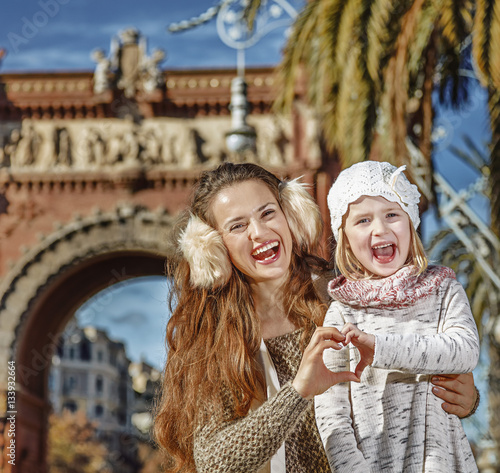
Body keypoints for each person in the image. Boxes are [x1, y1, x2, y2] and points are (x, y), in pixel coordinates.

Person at [154, 162, 479, 473]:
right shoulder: (214, 338)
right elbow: (214, 462)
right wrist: (298, 392)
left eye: (268, 213)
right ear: (211, 247)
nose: (259, 231)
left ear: (290, 215)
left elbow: (414, 368)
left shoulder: (350, 295)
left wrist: (465, 398)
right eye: (237, 226)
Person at [315, 161, 480, 472]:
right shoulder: (341, 310)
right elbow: (331, 410)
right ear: (345, 238)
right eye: (362, 220)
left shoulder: (443, 290)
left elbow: (465, 350)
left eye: (392, 214)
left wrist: (380, 348)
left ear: (411, 222)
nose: (380, 228)